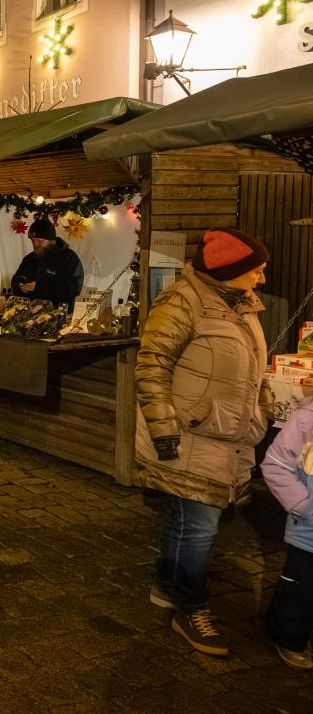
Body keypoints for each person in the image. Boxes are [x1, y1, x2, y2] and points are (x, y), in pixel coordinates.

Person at [136, 227, 271, 657]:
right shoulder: (182, 302)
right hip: (188, 436)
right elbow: (152, 366)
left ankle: (167, 585)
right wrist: (164, 433)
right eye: (256, 270)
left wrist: (263, 405)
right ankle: (191, 608)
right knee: (198, 527)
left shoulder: (242, 304)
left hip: (227, 434)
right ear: (229, 269)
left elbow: (254, 368)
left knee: (185, 522)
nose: (262, 278)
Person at [262, 398, 313, 670]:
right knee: (300, 585)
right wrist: (304, 506)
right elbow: (275, 465)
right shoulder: (307, 419)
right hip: (309, 530)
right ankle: (288, 637)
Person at [10, 217, 84, 311]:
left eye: (40, 241)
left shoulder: (69, 258)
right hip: (30, 314)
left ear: (51, 240)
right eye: (33, 240)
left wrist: (40, 287)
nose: (35, 245)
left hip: (59, 314)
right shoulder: (29, 259)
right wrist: (19, 286)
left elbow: (74, 288)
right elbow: (17, 279)